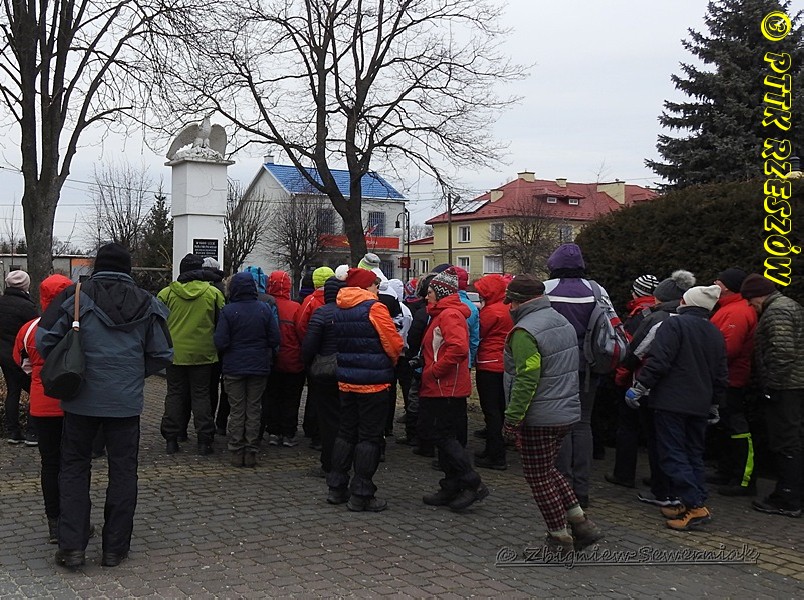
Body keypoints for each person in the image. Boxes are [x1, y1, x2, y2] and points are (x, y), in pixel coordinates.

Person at [37, 242, 173, 568]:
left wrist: (74, 364)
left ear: (97, 266)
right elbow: (162, 354)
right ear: (128, 268)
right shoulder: (148, 302)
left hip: (80, 400)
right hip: (125, 404)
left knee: (73, 469)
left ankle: (72, 547)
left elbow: (44, 340)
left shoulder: (74, 296)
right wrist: (131, 374)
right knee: (124, 471)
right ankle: (114, 549)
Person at [502, 275, 601, 553]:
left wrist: (512, 419)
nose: (509, 307)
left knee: (538, 478)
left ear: (519, 301)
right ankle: (581, 524)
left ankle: (559, 538)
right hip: (565, 411)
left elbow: (527, 378)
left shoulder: (525, 332)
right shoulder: (561, 321)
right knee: (549, 471)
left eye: (511, 302)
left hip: (540, 415)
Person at [626, 285, 728, 531]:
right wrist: (714, 403)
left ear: (686, 302)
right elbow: (721, 373)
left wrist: (639, 387)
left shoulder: (675, 325)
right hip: (700, 403)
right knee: (693, 453)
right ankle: (693, 500)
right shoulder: (714, 331)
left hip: (671, 400)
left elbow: (660, 360)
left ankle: (694, 505)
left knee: (672, 453)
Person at [609, 269, 696, 507]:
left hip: (648, 385)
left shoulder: (656, 318)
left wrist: (623, 376)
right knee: (676, 441)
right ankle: (676, 487)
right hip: (683, 389)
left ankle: (660, 488)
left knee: (653, 437)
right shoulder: (698, 320)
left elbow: (635, 352)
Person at [326, 268, 403, 512]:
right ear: (365, 287)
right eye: (374, 285)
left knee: (345, 432)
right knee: (369, 437)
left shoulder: (340, 308)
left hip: (346, 380)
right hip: (373, 382)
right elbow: (393, 343)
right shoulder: (374, 308)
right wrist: (391, 361)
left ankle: (337, 487)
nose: (376, 289)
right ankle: (361, 493)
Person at [543, 243, 610, 507]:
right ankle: (581, 489)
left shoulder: (547, 290)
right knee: (583, 424)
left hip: (556, 367)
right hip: (589, 366)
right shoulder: (597, 290)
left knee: (560, 426)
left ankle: (563, 486)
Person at [419, 268, 488, 511]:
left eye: (430, 292)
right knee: (442, 436)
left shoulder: (449, 315)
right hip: (442, 385)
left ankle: (471, 482)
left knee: (444, 436)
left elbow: (458, 348)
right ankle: (451, 486)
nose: (426, 296)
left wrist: (434, 371)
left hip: (445, 387)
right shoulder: (443, 314)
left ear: (440, 293)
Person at [12, 274, 72, 543]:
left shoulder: (30, 329)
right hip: (73, 404)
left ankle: (54, 523)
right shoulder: (78, 325)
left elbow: (20, 362)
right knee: (74, 465)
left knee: (50, 464)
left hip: (42, 404)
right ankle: (75, 520)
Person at [740, 274, 804, 518]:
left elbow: (782, 352)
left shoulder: (777, 311)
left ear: (758, 295)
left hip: (787, 387)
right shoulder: (788, 306)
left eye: (750, 299)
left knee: (786, 441)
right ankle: (794, 494)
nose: (750, 305)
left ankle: (787, 498)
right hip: (794, 384)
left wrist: (772, 387)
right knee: (794, 438)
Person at [158, 254, 225, 455]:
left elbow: (158, 324)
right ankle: (204, 441)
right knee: (201, 395)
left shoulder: (166, 294)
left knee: (175, 394)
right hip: (204, 354)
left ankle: (172, 439)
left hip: (175, 354)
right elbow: (221, 323)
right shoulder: (213, 293)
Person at [214, 272, 280, 467]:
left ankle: (236, 450)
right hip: (259, 365)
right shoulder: (264, 309)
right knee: (253, 408)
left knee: (237, 409)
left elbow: (220, 341)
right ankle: (251, 450)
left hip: (234, 366)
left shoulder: (228, 311)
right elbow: (275, 338)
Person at [709, 268, 757, 496]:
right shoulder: (729, 308)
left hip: (731, 379)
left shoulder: (737, 311)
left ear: (727, 287)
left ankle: (743, 478)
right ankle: (726, 471)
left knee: (736, 427)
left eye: (718, 282)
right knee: (725, 426)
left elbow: (729, 348)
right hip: (725, 377)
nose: (713, 284)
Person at [302, 274, 348, 477]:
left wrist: (308, 364)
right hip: (349, 370)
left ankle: (329, 464)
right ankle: (346, 460)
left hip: (325, 372)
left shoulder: (321, 313)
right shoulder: (352, 312)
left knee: (328, 420)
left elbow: (309, 345)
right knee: (346, 418)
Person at [473, 274, 513, 470]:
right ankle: (493, 448)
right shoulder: (508, 308)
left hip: (488, 364)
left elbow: (479, 333)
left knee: (491, 411)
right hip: (505, 364)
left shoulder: (491, 312)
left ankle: (495, 455)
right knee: (500, 408)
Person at [297, 266, 335, 448]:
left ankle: (311, 428)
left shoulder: (310, 301)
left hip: (315, 355)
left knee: (314, 394)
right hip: (334, 356)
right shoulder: (339, 302)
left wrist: (307, 348)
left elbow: (301, 325)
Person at [1, 269, 38, 445]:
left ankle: (13, 432)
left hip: (3, 356)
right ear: (25, 285)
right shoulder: (27, 307)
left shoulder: (1, 302)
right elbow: (35, 330)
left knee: (13, 391)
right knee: (34, 390)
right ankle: (32, 432)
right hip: (21, 356)